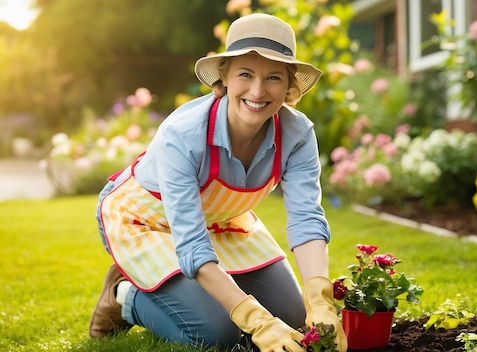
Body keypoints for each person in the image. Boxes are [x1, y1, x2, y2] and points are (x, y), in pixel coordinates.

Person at [88, 12, 347, 352]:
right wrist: (256, 320)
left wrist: (320, 298)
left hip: (219, 220)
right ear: (223, 78)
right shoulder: (182, 135)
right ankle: (125, 297)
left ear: (289, 86)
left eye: (273, 77)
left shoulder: (297, 134)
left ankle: (190, 293)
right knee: (217, 332)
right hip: (145, 220)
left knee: (292, 313)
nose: (257, 90)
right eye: (245, 74)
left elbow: (306, 218)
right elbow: (193, 246)